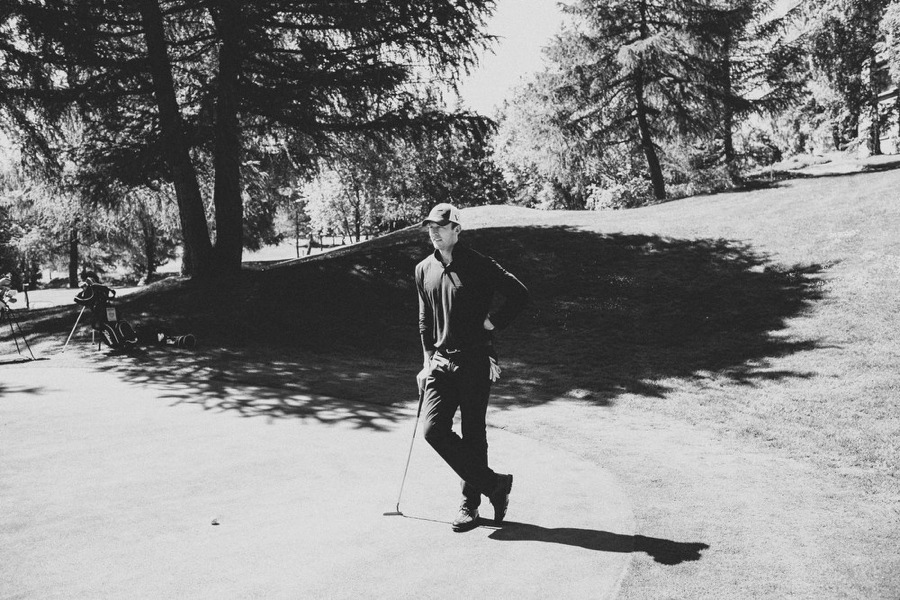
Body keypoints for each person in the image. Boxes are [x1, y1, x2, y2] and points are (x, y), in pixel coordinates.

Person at [415, 203, 529, 532]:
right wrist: (425, 361)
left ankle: (470, 503)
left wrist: (493, 322)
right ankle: (495, 484)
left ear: (457, 230)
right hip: (440, 361)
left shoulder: (479, 265)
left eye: (441, 225)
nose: (434, 231)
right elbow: (425, 318)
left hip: (475, 359)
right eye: (430, 226)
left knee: (473, 433)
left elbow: (519, 295)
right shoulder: (424, 269)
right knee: (433, 430)